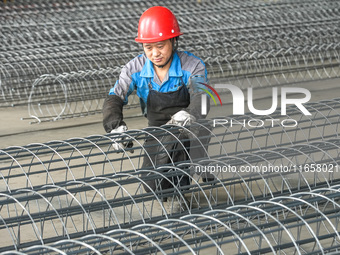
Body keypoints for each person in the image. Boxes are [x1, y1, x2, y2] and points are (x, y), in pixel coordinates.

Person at [102, 6, 211, 207]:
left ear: (173, 41)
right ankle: (186, 173)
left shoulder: (192, 66)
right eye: (148, 48)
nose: (155, 53)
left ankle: (184, 185)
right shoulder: (135, 68)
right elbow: (115, 96)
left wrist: (189, 114)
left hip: (188, 125)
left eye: (160, 46)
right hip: (157, 126)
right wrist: (114, 126)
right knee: (151, 181)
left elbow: (202, 96)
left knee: (175, 161)